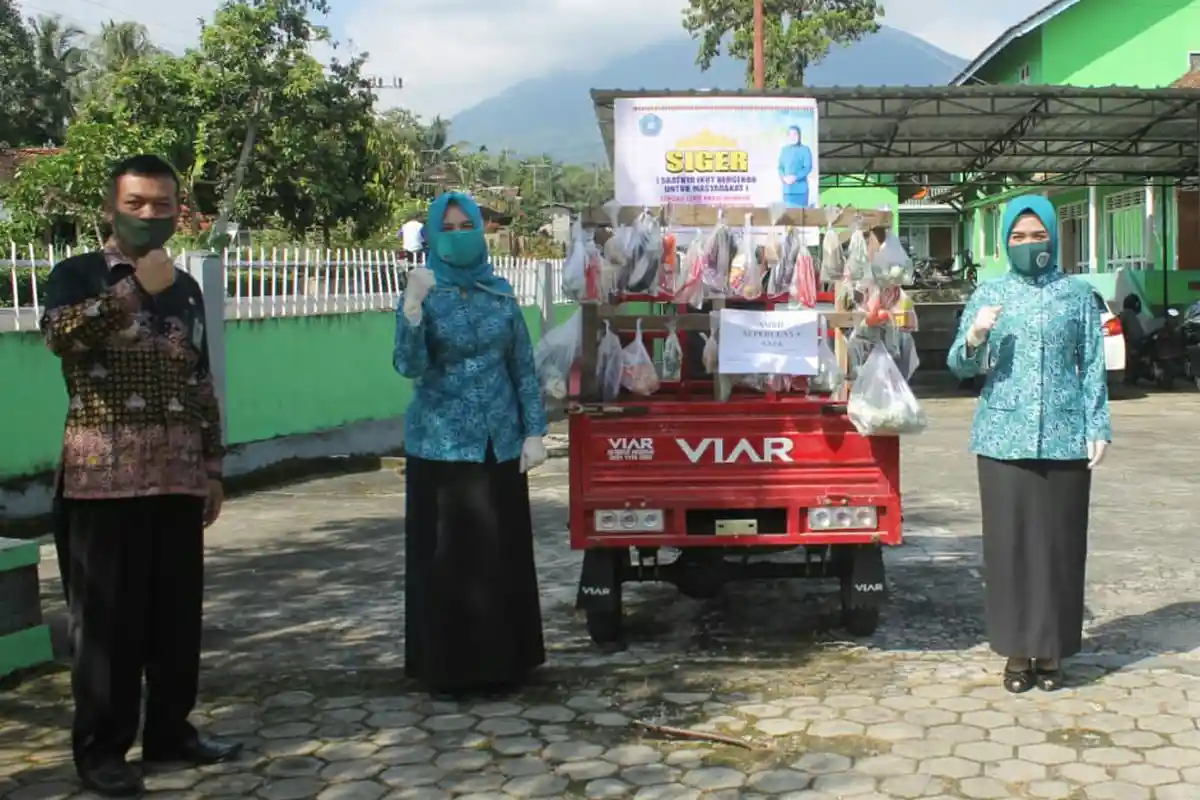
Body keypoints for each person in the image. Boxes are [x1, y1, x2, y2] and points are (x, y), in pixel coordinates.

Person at [41, 154, 241, 796]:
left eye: (162, 205)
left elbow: (200, 380)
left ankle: (171, 732)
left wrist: (213, 467)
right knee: (107, 627)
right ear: (111, 208)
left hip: (178, 479)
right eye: (137, 204)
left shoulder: (188, 287)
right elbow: (61, 338)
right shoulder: (76, 275)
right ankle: (102, 751)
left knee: (176, 619)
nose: (150, 216)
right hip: (103, 482)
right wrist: (134, 289)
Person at [947, 194, 1111, 694]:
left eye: (1036, 235)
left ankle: (1053, 651)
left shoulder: (1078, 295)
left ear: (1053, 238)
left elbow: (1093, 366)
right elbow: (958, 365)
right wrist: (975, 336)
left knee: (1059, 548)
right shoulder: (989, 294)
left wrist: (1097, 425)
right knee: (1010, 548)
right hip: (1002, 439)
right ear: (1005, 243)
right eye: (1017, 237)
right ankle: (1017, 652)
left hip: (1064, 437)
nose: (1027, 244)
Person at [393, 191, 549, 697]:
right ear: (433, 236)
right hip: (441, 446)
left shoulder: (500, 293)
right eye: (449, 227)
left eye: (467, 227)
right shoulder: (425, 292)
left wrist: (535, 430)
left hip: (498, 444)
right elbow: (409, 366)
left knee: (499, 556)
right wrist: (412, 311)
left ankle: (508, 665)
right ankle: (447, 670)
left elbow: (522, 365)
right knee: (447, 560)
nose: (458, 236)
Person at [777, 126, 813, 208]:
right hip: (787, 191)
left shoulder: (805, 149)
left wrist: (795, 177)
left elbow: (808, 167)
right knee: (788, 216)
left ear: (799, 136)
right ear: (788, 136)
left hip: (801, 191)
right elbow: (780, 167)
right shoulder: (784, 150)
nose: (793, 136)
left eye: (795, 134)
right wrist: (784, 178)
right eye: (791, 134)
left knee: (801, 216)